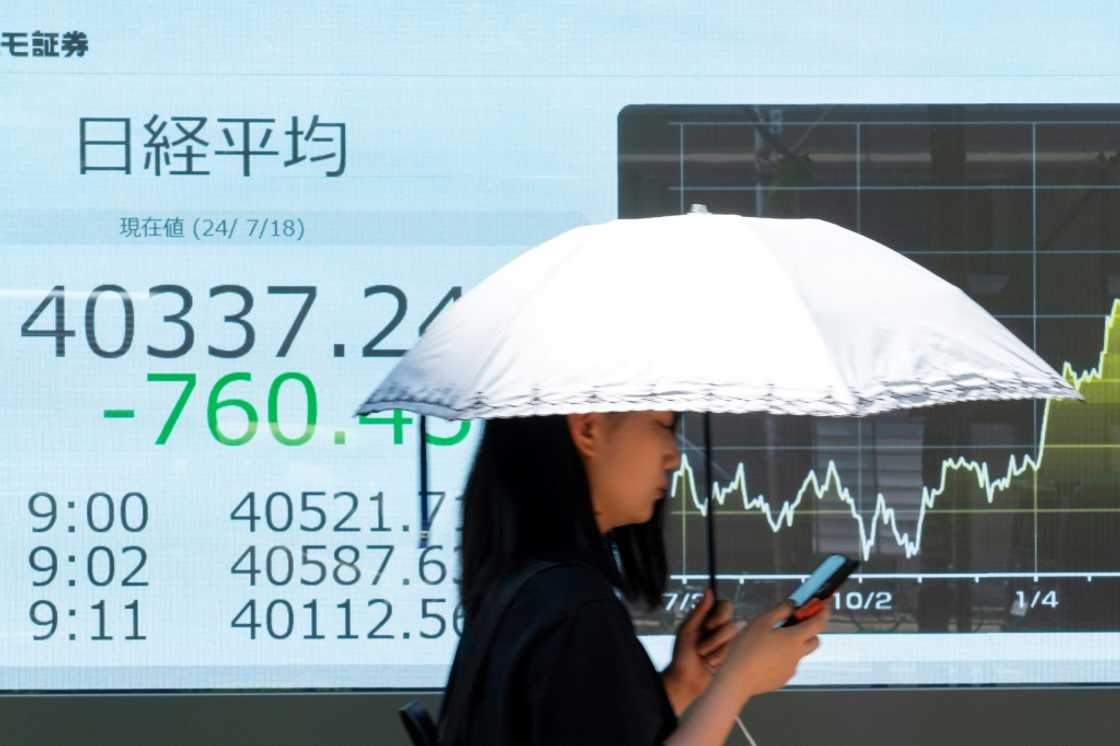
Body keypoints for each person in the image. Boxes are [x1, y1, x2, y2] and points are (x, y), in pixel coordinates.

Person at [440, 410, 830, 745]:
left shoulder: (529, 588)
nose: (673, 457)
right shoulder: (575, 610)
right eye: (662, 425)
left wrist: (682, 683)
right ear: (588, 429)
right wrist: (736, 681)